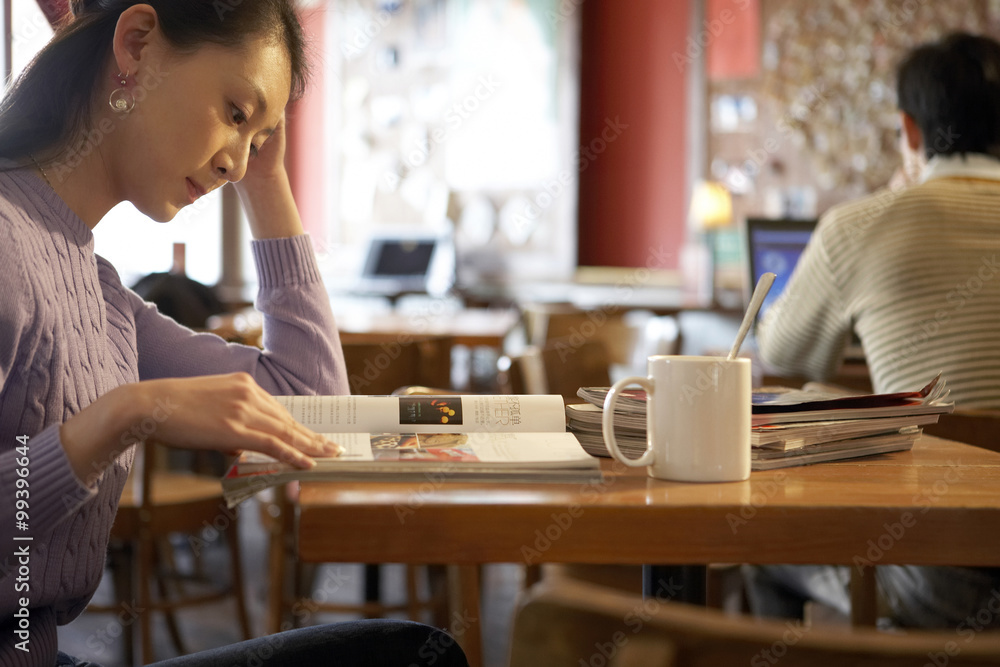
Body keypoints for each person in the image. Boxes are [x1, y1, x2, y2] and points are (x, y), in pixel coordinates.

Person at [0, 1, 468, 666]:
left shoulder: (97, 288)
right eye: (236, 113)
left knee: (412, 653)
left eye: (259, 140)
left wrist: (270, 180)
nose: (239, 164)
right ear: (136, 45)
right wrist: (118, 417)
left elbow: (308, 398)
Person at [748, 32, 1000, 629]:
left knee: (759, 546)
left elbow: (781, 351)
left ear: (910, 132)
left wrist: (886, 212)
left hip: (938, 580)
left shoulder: (858, 226)